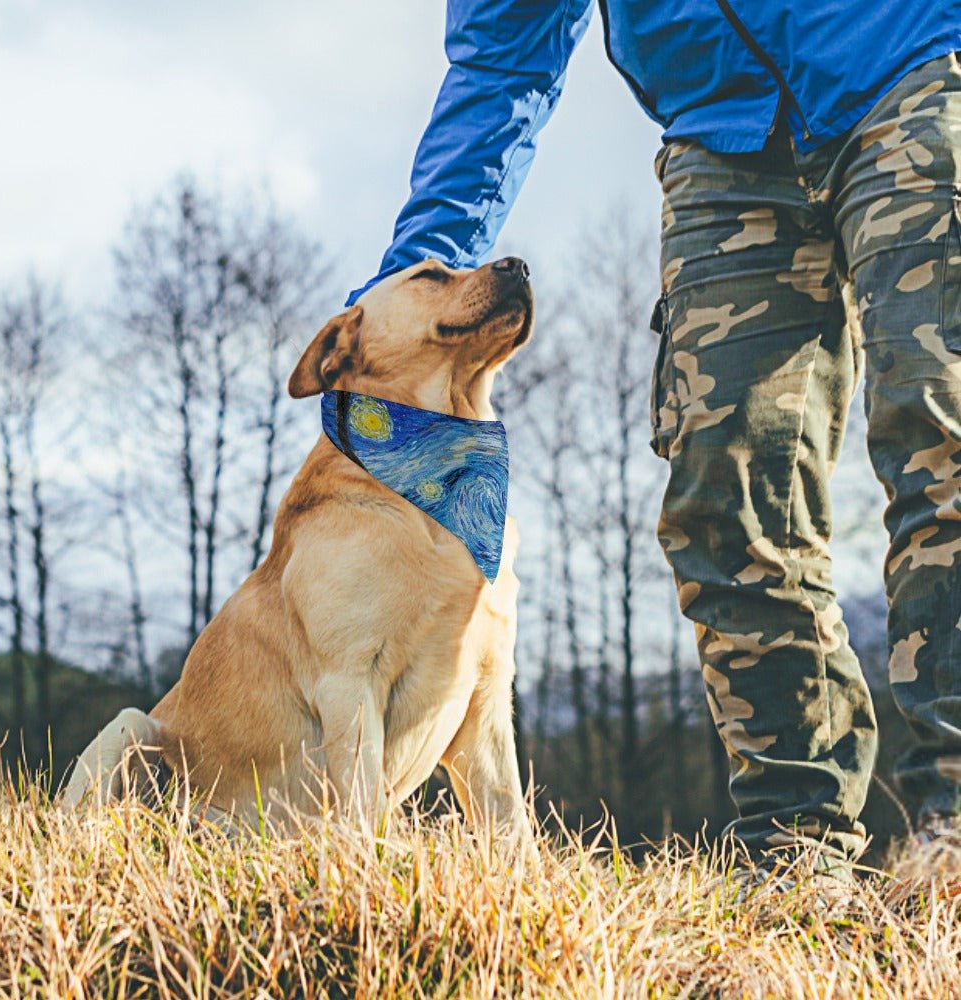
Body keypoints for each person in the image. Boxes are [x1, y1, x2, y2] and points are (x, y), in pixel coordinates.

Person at [348, 1, 961, 874]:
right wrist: (411, 289)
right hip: (723, 138)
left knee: (940, 432)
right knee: (727, 498)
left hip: (911, 61)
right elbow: (501, 65)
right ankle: (797, 851)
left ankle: (954, 834)